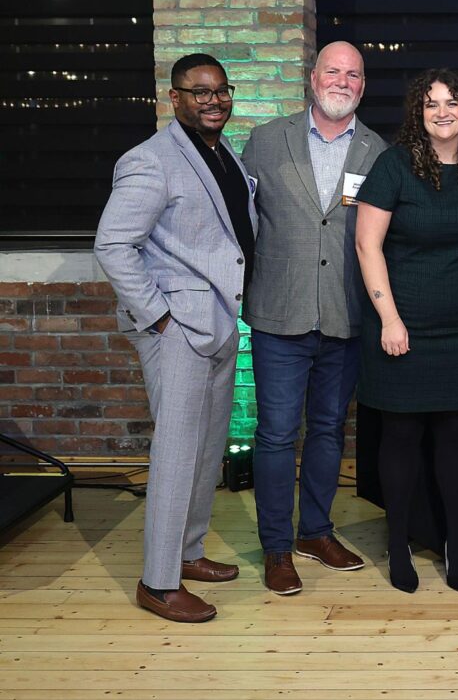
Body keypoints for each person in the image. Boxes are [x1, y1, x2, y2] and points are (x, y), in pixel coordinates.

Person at [95, 53, 257, 622]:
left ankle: (187, 554)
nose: (213, 100)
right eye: (199, 92)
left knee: (207, 448)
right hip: (179, 330)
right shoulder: (150, 160)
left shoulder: (220, 154)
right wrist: (159, 318)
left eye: (221, 91)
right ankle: (158, 582)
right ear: (175, 97)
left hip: (218, 323)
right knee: (175, 453)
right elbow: (113, 244)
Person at [241, 41, 387, 595]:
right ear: (312, 77)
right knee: (277, 435)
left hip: (347, 315)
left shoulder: (377, 151)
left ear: (363, 86)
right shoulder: (265, 140)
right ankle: (277, 547)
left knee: (328, 430)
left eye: (354, 74)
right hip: (280, 313)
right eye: (333, 71)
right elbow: (238, 223)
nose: (343, 81)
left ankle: (316, 533)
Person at [355, 69, 458, 594]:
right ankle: (399, 547)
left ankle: (456, 545)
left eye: (452, 102)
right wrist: (390, 319)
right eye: (431, 103)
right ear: (419, 112)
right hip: (402, 330)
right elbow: (368, 247)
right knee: (402, 439)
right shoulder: (394, 166)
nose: (442, 111)